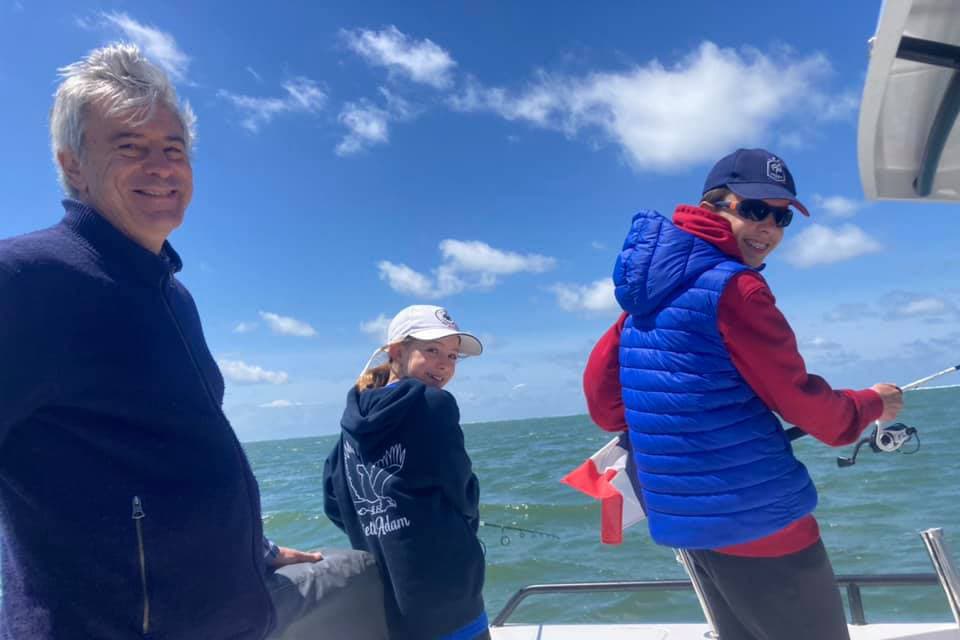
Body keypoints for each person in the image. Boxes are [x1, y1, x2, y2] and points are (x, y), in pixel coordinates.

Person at [0, 43, 328, 639]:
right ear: (71, 165)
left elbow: (161, 462)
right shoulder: (23, 280)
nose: (161, 167)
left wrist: (254, 548)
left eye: (173, 149)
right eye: (129, 146)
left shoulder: (173, 296)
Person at [581, 148, 904, 640]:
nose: (768, 228)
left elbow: (605, 408)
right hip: (760, 523)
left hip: (690, 526)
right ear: (713, 204)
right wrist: (874, 402)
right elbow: (808, 407)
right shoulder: (739, 290)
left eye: (781, 218)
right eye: (753, 210)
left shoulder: (644, 298)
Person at [323, 305, 490, 640]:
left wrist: (383, 534)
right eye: (432, 350)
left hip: (390, 601)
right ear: (397, 351)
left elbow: (334, 503)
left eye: (453, 356)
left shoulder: (350, 426)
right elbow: (463, 493)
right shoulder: (435, 405)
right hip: (449, 595)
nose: (444, 364)